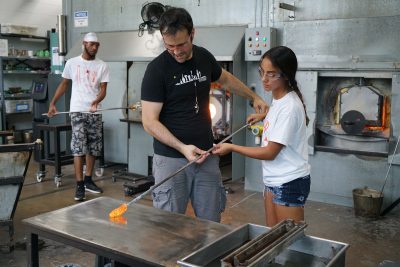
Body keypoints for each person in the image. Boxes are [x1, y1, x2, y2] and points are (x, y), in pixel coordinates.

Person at [141, 7, 268, 223]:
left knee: (211, 222)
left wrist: (253, 97)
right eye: (169, 46)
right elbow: (149, 122)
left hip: (206, 155)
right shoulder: (157, 70)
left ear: (192, 33)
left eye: (181, 44)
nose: (176, 51)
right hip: (171, 160)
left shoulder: (203, 57)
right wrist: (182, 148)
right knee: (168, 226)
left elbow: (225, 79)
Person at [212, 46, 311, 227]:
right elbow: (280, 117)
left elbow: (270, 152)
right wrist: (265, 116)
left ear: (286, 75)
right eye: (262, 72)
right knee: (272, 237)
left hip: (289, 182)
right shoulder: (279, 99)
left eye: (271, 74)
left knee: (289, 242)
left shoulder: (289, 107)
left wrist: (232, 147)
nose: (264, 79)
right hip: (274, 179)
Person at [47, 32, 110, 201]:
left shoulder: (102, 65)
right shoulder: (72, 63)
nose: (94, 47)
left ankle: (89, 180)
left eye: (97, 45)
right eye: (91, 44)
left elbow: (103, 89)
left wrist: (96, 101)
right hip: (77, 111)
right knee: (78, 147)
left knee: (93, 147)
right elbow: (64, 84)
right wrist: (53, 103)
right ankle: (79, 185)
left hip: (94, 111)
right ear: (84, 44)